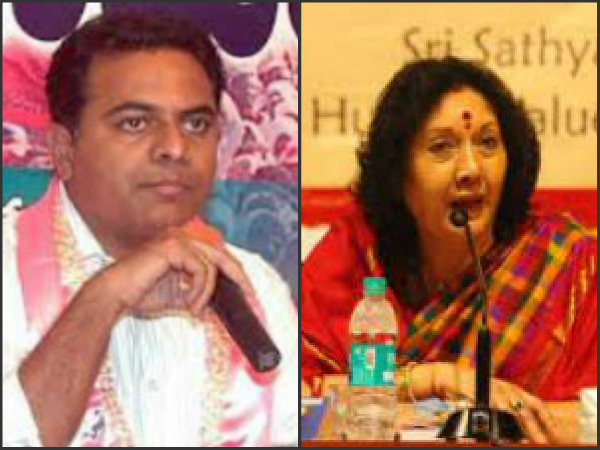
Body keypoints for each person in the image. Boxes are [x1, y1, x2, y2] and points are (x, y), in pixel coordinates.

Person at [2, 13, 298, 447]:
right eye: (135, 123)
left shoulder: (255, 288)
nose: (175, 148)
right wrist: (105, 297)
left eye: (196, 124)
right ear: (63, 150)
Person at [301, 57, 596, 444]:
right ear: (399, 174)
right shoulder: (355, 254)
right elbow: (299, 402)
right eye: (442, 147)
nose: (471, 169)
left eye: (488, 143)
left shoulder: (567, 263)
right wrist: (434, 379)